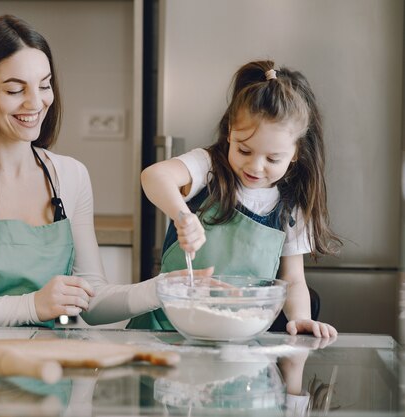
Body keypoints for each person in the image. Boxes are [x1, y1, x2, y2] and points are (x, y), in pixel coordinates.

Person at [0, 14, 211, 327]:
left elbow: (92, 301)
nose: (36, 103)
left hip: (50, 369)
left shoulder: (70, 176)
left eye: (44, 85)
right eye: (14, 90)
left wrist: (165, 289)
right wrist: (32, 306)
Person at [130, 60, 341, 337]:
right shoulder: (208, 167)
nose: (255, 166)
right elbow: (154, 176)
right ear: (230, 133)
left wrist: (300, 318)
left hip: (236, 339)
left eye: (273, 158)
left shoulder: (291, 207)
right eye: (244, 150)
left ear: (296, 154)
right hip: (167, 331)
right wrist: (182, 215)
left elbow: (292, 279)